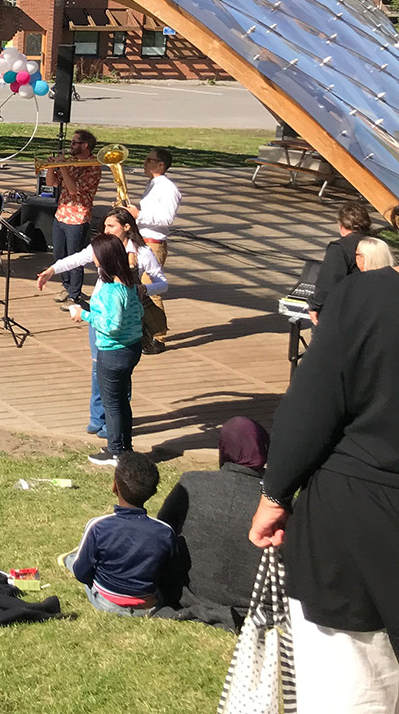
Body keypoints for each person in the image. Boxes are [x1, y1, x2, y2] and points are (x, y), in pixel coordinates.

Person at [249, 259, 399, 712]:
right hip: (361, 505)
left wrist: (274, 496)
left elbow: (311, 407)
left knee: (354, 682)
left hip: (356, 521)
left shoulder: (370, 297)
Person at [38, 207, 167, 436]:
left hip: (123, 321)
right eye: (104, 226)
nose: (105, 230)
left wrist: (143, 288)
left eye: (110, 226)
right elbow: (77, 258)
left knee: (119, 373)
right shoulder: (103, 248)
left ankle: (113, 424)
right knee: (99, 367)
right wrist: (52, 270)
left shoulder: (141, 252)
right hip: (99, 314)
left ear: (126, 227)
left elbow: (162, 283)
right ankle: (97, 417)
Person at [155, 417, 269, 627]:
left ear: (223, 448)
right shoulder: (275, 502)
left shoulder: (191, 482)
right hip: (259, 605)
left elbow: (160, 533)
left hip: (190, 595)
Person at [60, 451, 177, 616]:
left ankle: (69, 560)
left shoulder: (98, 526)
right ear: (153, 492)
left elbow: (82, 574)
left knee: (73, 561)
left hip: (106, 602)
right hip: (148, 605)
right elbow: (169, 574)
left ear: (114, 485)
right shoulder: (165, 531)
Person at [67, 235, 144, 465]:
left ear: (104, 257)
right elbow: (138, 314)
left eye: (95, 253)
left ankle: (115, 451)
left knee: (112, 403)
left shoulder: (110, 290)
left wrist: (84, 315)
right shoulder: (129, 282)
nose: (92, 257)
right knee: (121, 401)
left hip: (113, 352)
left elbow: (111, 325)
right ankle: (124, 447)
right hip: (131, 348)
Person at [127, 147, 180, 349]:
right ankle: (145, 330)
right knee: (137, 287)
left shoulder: (168, 188)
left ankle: (158, 337)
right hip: (142, 241)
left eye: (150, 160)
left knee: (150, 289)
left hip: (154, 243)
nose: (145, 163)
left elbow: (167, 219)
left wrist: (137, 215)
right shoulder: (153, 184)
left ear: (161, 165)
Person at [47, 129, 102, 308]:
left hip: (78, 218)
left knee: (75, 258)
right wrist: (51, 167)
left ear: (85, 145)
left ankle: (74, 295)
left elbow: (72, 189)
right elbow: (51, 183)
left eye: (74, 143)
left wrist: (62, 167)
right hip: (61, 214)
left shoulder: (93, 167)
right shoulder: (71, 162)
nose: (71, 146)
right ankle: (67, 286)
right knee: (59, 255)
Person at [307, 201, 371, 330]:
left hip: (346, 310)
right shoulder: (377, 243)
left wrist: (315, 305)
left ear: (341, 225)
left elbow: (329, 281)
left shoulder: (339, 248)